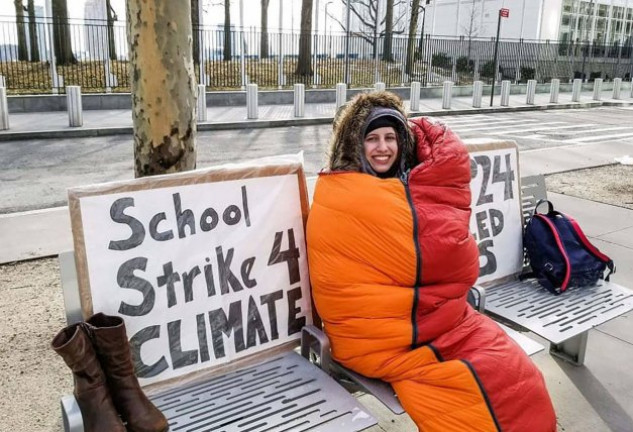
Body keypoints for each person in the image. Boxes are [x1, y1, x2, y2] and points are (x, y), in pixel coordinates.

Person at [307, 91, 556, 431]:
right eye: (373, 139)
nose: (383, 148)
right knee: (470, 396)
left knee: (513, 371)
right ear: (354, 145)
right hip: (382, 337)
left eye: (391, 138)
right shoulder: (341, 193)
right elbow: (450, 257)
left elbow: (453, 261)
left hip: (441, 319)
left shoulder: (409, 186)